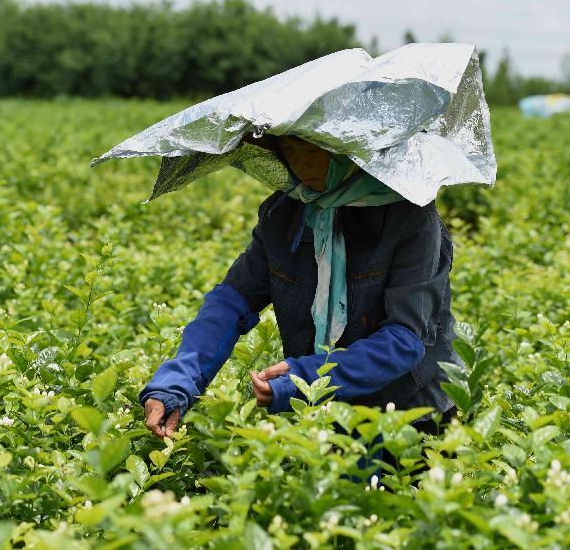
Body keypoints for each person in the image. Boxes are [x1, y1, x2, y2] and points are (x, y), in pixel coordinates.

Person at [139, 134, 463, 480]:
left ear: (348, 150)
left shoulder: (411, 218)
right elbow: (230, 302)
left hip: (412, 415)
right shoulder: (285, 214)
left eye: (314, 150)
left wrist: (304, 379)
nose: (302, 163)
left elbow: (404, 340)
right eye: (291, 149)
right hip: (328, 417)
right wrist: (176, 384)